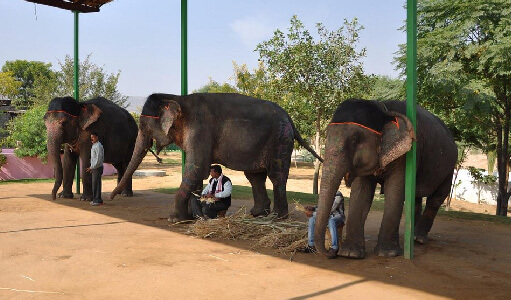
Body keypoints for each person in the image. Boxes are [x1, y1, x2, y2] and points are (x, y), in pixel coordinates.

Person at [86, 132, 104, 206]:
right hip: (94, 168)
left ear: (97, 137)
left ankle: (98, 200)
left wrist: (92, 167)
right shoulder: (94, 146)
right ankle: (95, 199)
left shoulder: (98, 146)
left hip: (97, 168)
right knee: (94, 184)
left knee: (96, 184)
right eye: (91, 137)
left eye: (93, 137)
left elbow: (98, 159)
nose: (91, 139)